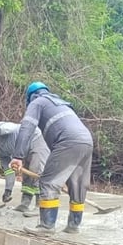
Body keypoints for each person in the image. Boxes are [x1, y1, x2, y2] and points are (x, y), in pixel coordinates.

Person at [9, 81, 93, 234]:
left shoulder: (37, 103)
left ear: (30, 97)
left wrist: (18, 156)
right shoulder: (61, 104)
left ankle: (46, 226)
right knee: (78, 184)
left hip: (68, 141)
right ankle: (73, 226)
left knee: (48, 182)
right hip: (86, 140)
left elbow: (27, 127)